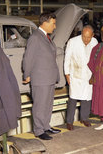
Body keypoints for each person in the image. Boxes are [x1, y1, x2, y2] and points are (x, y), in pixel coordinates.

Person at [22, 12, 61, 140]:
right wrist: (26, 74)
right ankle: (39, 130)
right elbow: (28, 58)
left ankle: (45, 126)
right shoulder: (35, 37)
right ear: (45, 22)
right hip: (40, 78)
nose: (55, 26)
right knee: (40, 105)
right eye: (53, 23)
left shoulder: (45, 37)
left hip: (49, 77)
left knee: (48, 104)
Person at [64, 25, 98, 130]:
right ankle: (69, 121)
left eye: (88, 37)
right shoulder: (73, 42)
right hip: (75, 74)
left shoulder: (95, 42)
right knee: (73, 98)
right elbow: (67, 59)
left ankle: (85, 118)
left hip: (89, 74)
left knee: (87, 98)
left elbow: (96, 59)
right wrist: (67, 74)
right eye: (84, 36)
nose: (86, 39)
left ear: (92, 35)